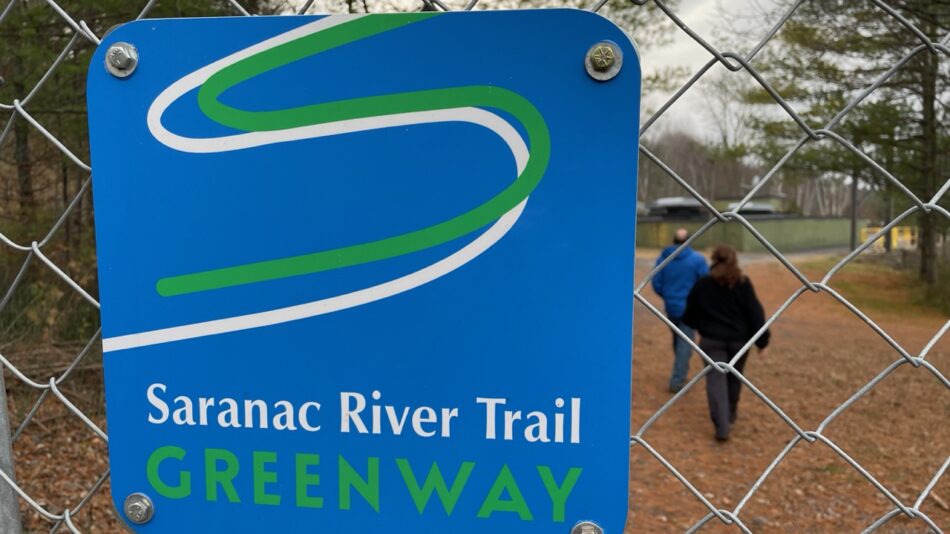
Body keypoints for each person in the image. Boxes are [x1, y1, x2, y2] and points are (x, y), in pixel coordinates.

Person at [683, 246, 770, 441]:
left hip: (711, 340)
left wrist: (701, 325)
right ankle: (729, 414)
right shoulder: (743, 284)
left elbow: (689, 314)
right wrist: (762, 342)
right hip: (739, 342)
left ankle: (721, 425)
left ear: (713, 260)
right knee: (734, 378)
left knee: (715, 380)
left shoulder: (703, 285)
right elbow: (756, 314)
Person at [651, 228, 709, 393]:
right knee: (685, 344)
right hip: (690, 309)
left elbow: (656, 282)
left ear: (673, 240)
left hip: (671, 307)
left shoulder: (664, 258)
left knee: (678, 340)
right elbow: (705, 282)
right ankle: (676, 381)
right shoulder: (697, 260)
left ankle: (680, 373)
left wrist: (668, 296)